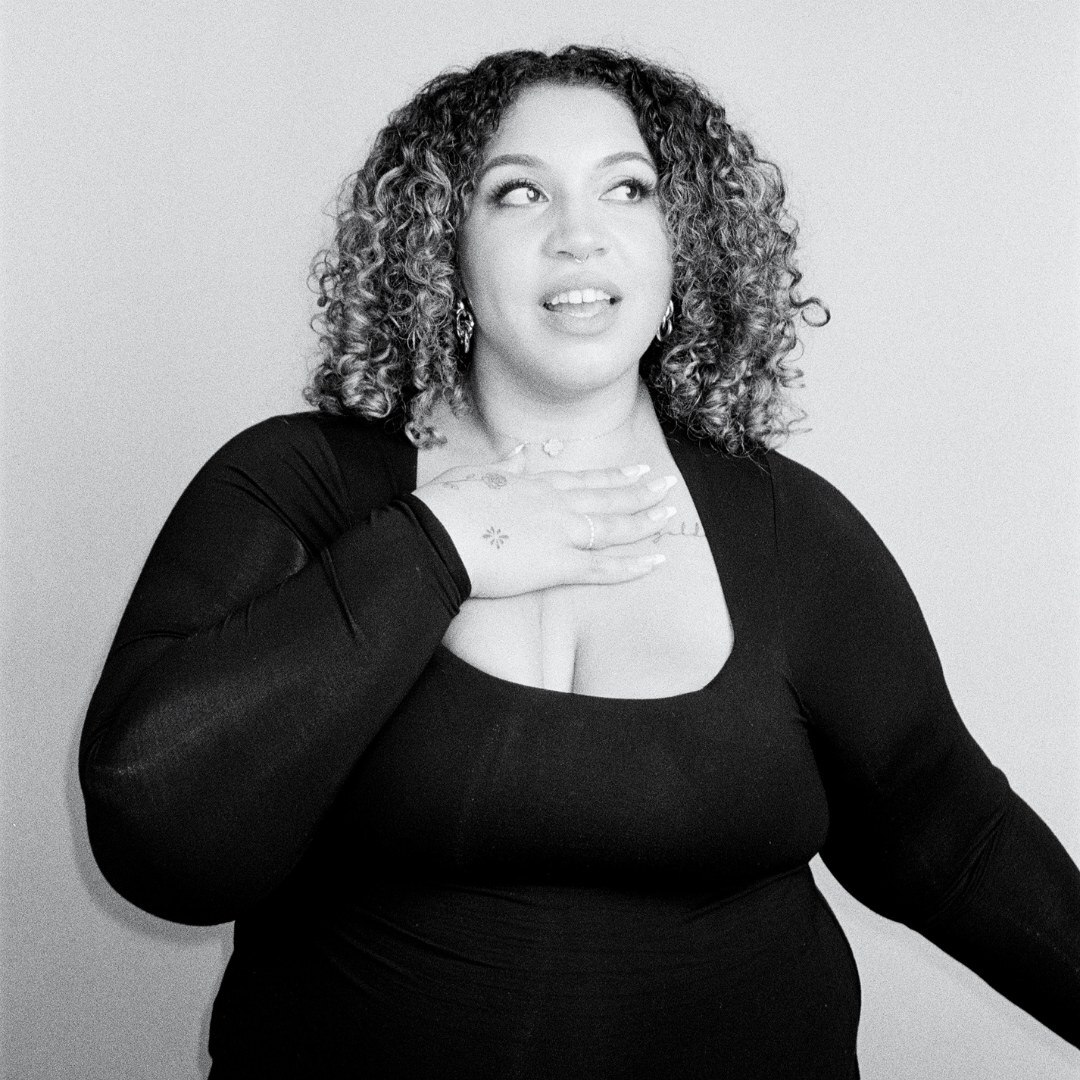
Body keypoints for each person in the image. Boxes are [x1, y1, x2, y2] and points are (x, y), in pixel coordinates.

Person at [79, 45, 1080, 1079]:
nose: (579, 235)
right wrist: (436, 546)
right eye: (519, 193)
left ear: (682, 241)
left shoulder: (793, 531)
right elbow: (161, 831)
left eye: (628, 189)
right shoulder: (298, 487)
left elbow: (957, 845)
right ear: (442, 245)